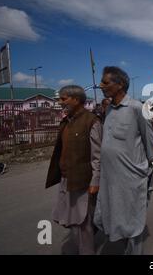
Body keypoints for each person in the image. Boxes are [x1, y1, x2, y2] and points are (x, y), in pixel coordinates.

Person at [94, 66, 153, 255]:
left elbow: (149, 141)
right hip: (110, 178)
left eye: (105, 82)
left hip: (131, 178)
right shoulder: (109, 109)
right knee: (106, 215)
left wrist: (146, 170)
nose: (101, 85)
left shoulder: (137, 108)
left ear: (120, 85)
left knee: (133, 219)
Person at [45, 85, 102, 254]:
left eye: (64, 99)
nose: (60, 102)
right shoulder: (67, 120)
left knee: (83, 221)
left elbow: (97, 156)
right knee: (71, 219)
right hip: (67, 179)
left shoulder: (92, 121)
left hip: (83, 180)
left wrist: (95, 181)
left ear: (76, 100)